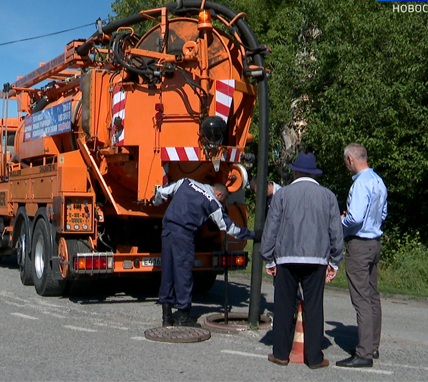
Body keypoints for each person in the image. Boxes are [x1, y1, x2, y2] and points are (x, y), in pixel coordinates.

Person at [261, 152, 344, 369]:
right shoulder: (328, 196)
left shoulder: (282, 195)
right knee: (314, 306)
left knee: (283, 306)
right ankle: (314, 357)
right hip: (317, 259)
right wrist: (335, 261)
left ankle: (280, 353)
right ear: (314, 173)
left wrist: (268, 258)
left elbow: (271, 228)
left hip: (286, 257)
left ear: (295, 171)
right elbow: (336, 231)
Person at [152, 178, 254, 327]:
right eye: (222, 200)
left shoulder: (185, 182)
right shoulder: (212, 202)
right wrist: (252, 234)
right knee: (183, 274)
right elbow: (230, 228)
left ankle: (166, 317)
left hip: (167, 230)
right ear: (219, 194)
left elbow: (162, 192)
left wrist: (155, 202)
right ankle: (183, 318)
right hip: (184, 235)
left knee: (167, 272)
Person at [336, 143, 388, 368]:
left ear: (350, 160)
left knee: (361, 299)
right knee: (373, 295)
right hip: (375, 242)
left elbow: (355, 218)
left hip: (359, 244)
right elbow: (383, 212)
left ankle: (364, 353)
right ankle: (373, 346)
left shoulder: (359, 185)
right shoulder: (378, 181)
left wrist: (341, 222)